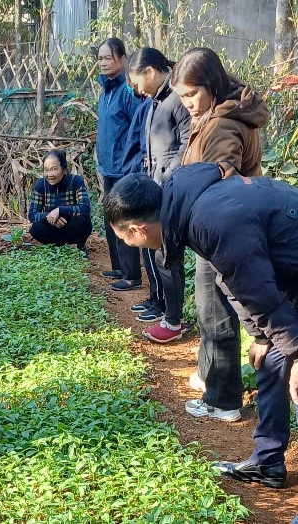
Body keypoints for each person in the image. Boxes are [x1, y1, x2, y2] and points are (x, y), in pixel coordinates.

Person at [103, 165, 298, 490]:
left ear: (138, 229)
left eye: (125, 239)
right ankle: (268, 462)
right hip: (287, 266)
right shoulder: (187, 206)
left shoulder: (212, 221)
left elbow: (261, 291)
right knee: (271, 356)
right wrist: (262, 335)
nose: (131, 246)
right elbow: (233, 279)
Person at [170, 47, 269, 421]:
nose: (187, 104)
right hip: (226, 226)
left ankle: (224, 399)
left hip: (222, 229)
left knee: (215, 312)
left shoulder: (223, 125)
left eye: (191, 94)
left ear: (211, 86)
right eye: (181, 96)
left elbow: (220, 176)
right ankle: (213, 380)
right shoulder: (221, 114)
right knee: (214, 307)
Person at [127, 48, 191, 338]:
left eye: (137, 81)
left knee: (168, 254)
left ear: (150, 72)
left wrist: (168, 176)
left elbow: (189, 142)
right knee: (159, 252)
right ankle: (168, 314)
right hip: (158, 187)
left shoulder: (177, 98)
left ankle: (173, 320)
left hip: (172, 189)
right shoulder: (157, 100)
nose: (137, 89)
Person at [96, 37, 142, 291]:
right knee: (110, 218)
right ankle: (119, 266)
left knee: (124, 219)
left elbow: (138, 126)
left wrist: (132, 160)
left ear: (122, 59)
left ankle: (132, 275)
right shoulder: (106, 89)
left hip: (124, 167)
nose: (103, 62)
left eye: (108, 58)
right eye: (100, 58)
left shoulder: (127, 90)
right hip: (107, 166)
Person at [26, 148, 92, 251]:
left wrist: (60, 210)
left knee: (83, 223)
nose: (49, 174)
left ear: (64, 169)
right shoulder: (40, 184)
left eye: (54, 169)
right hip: (52, 226)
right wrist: (49, 216)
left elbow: (85, 208)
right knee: (36, 228)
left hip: (71, 225)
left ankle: (80, 247)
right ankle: (54, 247)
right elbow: (32, 214)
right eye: (46, 170)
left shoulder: (76, 181)